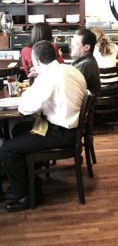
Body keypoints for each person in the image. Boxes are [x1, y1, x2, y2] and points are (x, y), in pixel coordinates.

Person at [0, 40, 87, 212]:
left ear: (38, 61)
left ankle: (24, 196)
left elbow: (27, 108)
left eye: (33, 62)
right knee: (18, 130)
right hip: (71, 128)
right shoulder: (69, 69)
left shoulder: (48, 77)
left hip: (62, 133)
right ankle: (29, 180)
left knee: (7, 149)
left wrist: (32, 87)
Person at [71, 29, 101, 96]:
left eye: (76, 44)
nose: (71, 46)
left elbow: (71, 89)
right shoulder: (87, 61)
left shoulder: (85, 65)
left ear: (86, 47)